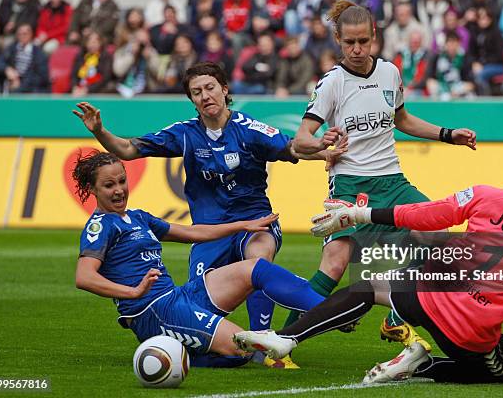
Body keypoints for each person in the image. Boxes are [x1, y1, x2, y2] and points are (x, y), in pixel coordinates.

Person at [234, 128, 503, 383]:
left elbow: (426, 214)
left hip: (425, 296)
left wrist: (360, 215)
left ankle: (286, 337)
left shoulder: (486, 195)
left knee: (369, 287)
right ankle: (423, 365)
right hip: (467, 334)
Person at [73, 61, 345, 368]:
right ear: (192, 100)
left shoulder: (249, 130)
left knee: (258, 257)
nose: (205, 96)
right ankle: (192, 351)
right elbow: (128, 149)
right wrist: (99, 131)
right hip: (209, 230)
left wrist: (324, 152)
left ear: (225, 89)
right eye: (196, 92)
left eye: (210, 88)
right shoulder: (185, 135)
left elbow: (292, 149)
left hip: (254, 221)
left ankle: (268, 343)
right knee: (198, 315)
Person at [284, 0, 476, 352]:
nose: (357, 50)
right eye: (349, 43)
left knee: (435, 232)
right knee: (337, 262)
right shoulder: (332, 83)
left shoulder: (390, 72)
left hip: (392, 181)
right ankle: (281, 341)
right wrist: (323, 146)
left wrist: (448, 134)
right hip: (350, 182)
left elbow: (402, 120)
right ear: (337, 41)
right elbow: (300, 140)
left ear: (375, 36)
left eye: (363, 41)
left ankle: (397, 316)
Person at [73, 151, 325, 367]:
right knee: (243, 349)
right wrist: (133, 292)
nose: (119, 190)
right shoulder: (100, 226)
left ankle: (326, 309)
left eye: (122, 181)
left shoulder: (138, 216)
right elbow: (84, 277)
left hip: (177, 297)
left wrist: (243, 225)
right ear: (92, 189)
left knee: (255, 268)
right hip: (153, 313)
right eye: (109, 185)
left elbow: (194, 232)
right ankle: (175, 352)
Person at [0, 23, 50, 93]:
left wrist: (21, 84)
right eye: (19, 34)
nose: (22, 36)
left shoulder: (38, 53)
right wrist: (7, 69)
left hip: (31, 87)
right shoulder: (12, 48)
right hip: (12, 83)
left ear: (31, 34)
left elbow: (43, 76)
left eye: (25, 34)